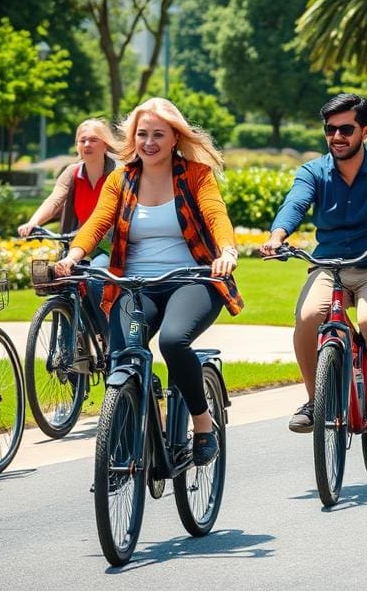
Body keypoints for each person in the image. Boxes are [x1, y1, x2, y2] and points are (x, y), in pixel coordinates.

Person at [54, 98, 242, 465]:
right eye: (142, 134)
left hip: (192, 280)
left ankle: (203, 425)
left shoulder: (195, 175)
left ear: (175, 138)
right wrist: (74, 255)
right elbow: (97, 222)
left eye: (159, 134)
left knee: (173, 342)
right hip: (137, 284)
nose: (149, 142)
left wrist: (227, 252)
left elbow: (215, 214)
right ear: (132, 138)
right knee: (122, 357)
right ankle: (136, 441)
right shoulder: (120, 179)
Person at [260, 93, 367, 443]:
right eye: (330, 130)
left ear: (365, 131)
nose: (337, 137)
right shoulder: (313, 171)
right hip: (327, 267)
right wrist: (277, 235)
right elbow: (296, 203)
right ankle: (313, 401)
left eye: (346, 129)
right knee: (306, 319)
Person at [17, 118, 120, 238]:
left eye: (93, 140)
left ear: (105, 145)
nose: (87, 144)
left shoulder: (118, 173)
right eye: (82, 140)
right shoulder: (72, 172)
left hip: (114, 245)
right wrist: (33, 222)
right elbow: (54, 200)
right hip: (81, 243)